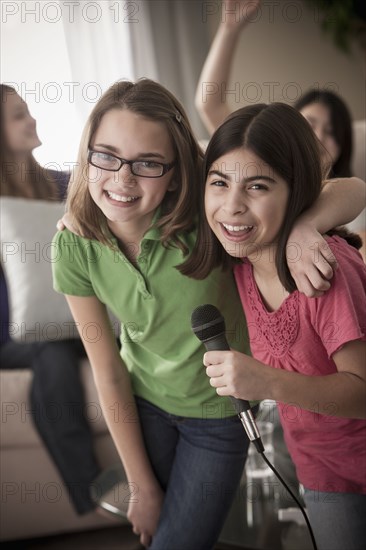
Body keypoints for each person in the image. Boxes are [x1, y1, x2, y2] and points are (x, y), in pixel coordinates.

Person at [51, 77, 366, 549]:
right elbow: (107, 369)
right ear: (86, 154)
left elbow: (351, 187)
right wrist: (140, 486)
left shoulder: (216, 223)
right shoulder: (75, 243)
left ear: (178, 173)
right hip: (148, 404)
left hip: (220, 419)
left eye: (148, 163)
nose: (121, 178)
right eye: (106, 155)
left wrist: (306, 223)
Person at [183, 102, 366, 550]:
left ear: (296, 189)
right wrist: (83, 219)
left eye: (258, 186)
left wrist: (266, 381)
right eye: (219, 184)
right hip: (319, 467)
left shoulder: (323, 268)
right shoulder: (239, 261)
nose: (232, 206)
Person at [0, 83, 103, 515]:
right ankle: (95, 496)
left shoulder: (64, 186)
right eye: (19, 115)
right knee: (52, 352)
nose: (32, 119)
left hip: (75, 318)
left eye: (28, 110)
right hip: (14, 335)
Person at [195, 0, 366, 259]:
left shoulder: (350, 202)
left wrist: (307, 225)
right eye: (310, 124)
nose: (319, 137)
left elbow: (356, 189)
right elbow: (210, 103)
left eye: (332, 132)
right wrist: (229, 30)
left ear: (344, 146)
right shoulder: (256, 158)